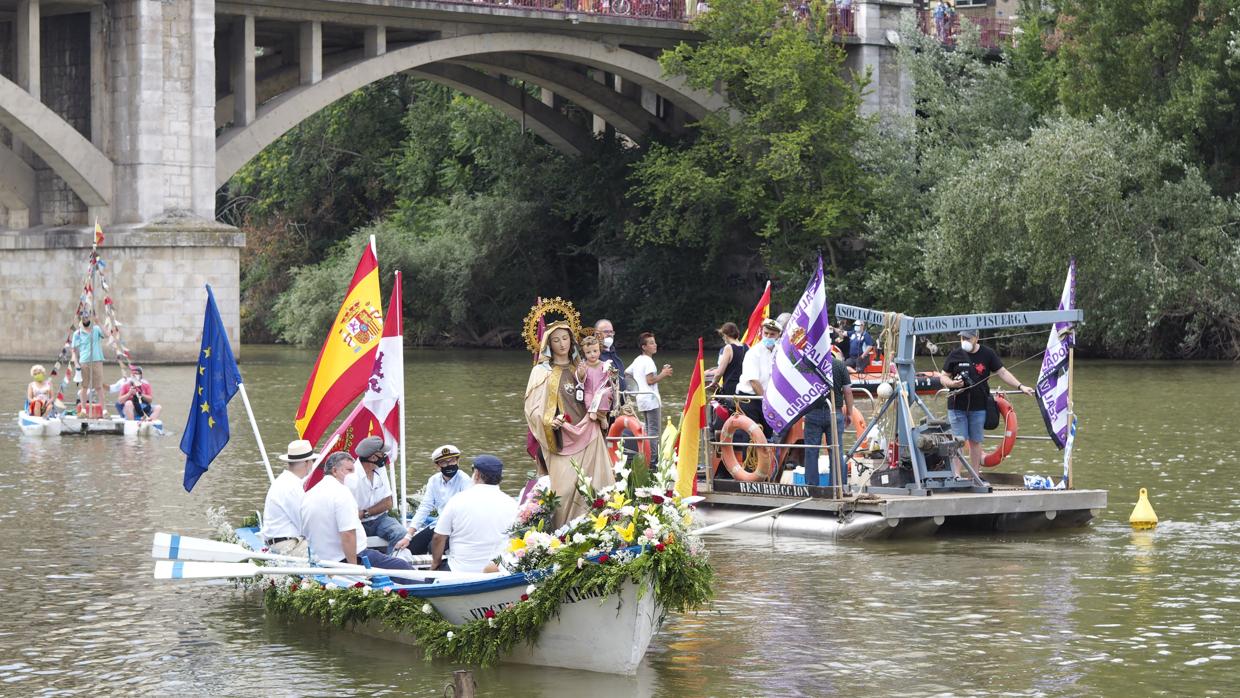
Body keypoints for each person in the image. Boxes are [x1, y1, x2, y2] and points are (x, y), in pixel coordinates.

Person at [524, 323, 615, 527]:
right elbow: (532, 407)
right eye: (556, 340)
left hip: (588, 431)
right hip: (561, 437)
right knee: (563, 490)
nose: (562, 344)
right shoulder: (541, 372)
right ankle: (562, 535)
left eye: (565, 338)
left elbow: (602, 391)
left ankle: (598, 531)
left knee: (596, 484)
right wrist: (549, 420)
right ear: (549, 345)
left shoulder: (580, 366)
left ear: (571, 341)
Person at [300, 452, 418, 580]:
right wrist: (353, 570)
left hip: (323, 561)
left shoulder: (309, 494)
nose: (353, 475)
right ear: (334, 471)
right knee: (401, 566)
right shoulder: (341, 493)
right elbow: (348, 534)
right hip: (352, 558)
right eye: (349, 470)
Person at [938, 329, 1034, 475]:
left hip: (979, 406)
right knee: (958, 441)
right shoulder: (955, 354)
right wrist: (951, 384)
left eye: (968, 338)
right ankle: (956, 475)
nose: (965, 340)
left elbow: (1003, 372)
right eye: (963, 337)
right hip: (957, 406)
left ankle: (975, 475)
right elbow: (943, 376)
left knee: (976, 441)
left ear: (977, 338)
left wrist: (1020, 386)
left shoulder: (987, 353)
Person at [431, 454, 518, 572]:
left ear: (476, 474)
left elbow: (438, 537)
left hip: (459, 570)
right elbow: (516, 538)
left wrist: (435, 563)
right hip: (496, 571)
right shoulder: (512, 504)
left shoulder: (457, 500)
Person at [398, 444, 473, 555]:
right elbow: (425, 507)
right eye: (444, 462)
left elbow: (467, 511)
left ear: (458, 461)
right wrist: (408, 536)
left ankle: (438, 569)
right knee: (411, 548)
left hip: (458, 528)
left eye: (452, 460)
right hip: (439, 524)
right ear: (437, 466)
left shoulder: (465, 480)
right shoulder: (433, 481)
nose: (449, 465)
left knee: (433, 548)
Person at [342, 435, 407, 554]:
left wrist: (365, 513)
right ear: (373, 457)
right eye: (383, 454)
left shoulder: (379, 468)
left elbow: (388, 503)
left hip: (380, 519)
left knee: (401, 533)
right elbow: (346, 510)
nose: (385, 456)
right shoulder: (351, 476)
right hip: (357, 523)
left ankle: (391, 564)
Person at [802, 351, 855, 488]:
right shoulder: (839, 365)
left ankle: (812, 487)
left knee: (811, 451)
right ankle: (837, 486)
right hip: (835, 412)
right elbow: (848, 392)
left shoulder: (809, 365)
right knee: (836, 451)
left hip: (813, 413)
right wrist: (849, 413)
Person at [627, 332, 673, 466]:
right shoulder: (648, 361)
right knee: (654, 431)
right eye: (651, 343)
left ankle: (647, 458)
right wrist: (663, 374)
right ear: (644, 347)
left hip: (641, 399)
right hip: (651, 400)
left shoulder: (638, 360)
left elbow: (626, 373)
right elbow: (650, 380)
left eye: (654, 342)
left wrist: (634, 388)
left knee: (647, 429)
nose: (655, 345)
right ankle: (653, 461)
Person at [261, 440, 314, 554]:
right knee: (330, 550)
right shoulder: (292, 487)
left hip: (279, 542)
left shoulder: (284, 480)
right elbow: (305, 526)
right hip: (287, 545)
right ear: (307, 462)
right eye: (312, 461)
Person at [736, 318, 782, 435]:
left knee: (767, 434)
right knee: (752, 436)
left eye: (772, 334)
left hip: (769, 399)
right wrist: (766, 401)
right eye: (766, 333)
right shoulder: (753, 353)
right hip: (751, 399)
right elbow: (754, 381)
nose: (768, 336)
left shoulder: (780, 352)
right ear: (762, 332)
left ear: (778, 335)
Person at [576, 335, 617, 430]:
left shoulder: (604, 365)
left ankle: (602, 415)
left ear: (600, 350)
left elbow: (609, 379)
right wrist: (581, 374)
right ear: (584, 353)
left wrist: (611, 373)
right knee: (587, 400)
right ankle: (601, 418)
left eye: (595, 351)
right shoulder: (584, 365)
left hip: (601, 391)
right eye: (588, 352)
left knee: (606, 395)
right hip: (589, 390)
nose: (592, 354)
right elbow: (580, 380)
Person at [71, 316, 106, 415]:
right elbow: (73, 351)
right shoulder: (77, 333)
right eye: (84, 318)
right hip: (84, 361)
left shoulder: (96, 329)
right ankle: (83, 410)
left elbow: (107, 334)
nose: (86, 319)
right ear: (81, 319)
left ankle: (104, 410)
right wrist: (76, 363)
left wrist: (99, 322)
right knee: (84, 387)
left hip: (97, 360)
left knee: (99, 387)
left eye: (87, 317)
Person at [705, 322, 748, 397]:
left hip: (731, 388)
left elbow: (719, 372)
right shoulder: (747, 347)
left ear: (725, 335)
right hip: (744, 387)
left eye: (722, 336)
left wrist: (713, 383)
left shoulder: (729, 348)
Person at [594, 318, 627, 396]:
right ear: (596, 334)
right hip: (605, 405)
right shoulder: (593, 357)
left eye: (611, 332)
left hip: (620, 404)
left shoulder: (616, 356)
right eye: (606, 332)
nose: (609, 334)